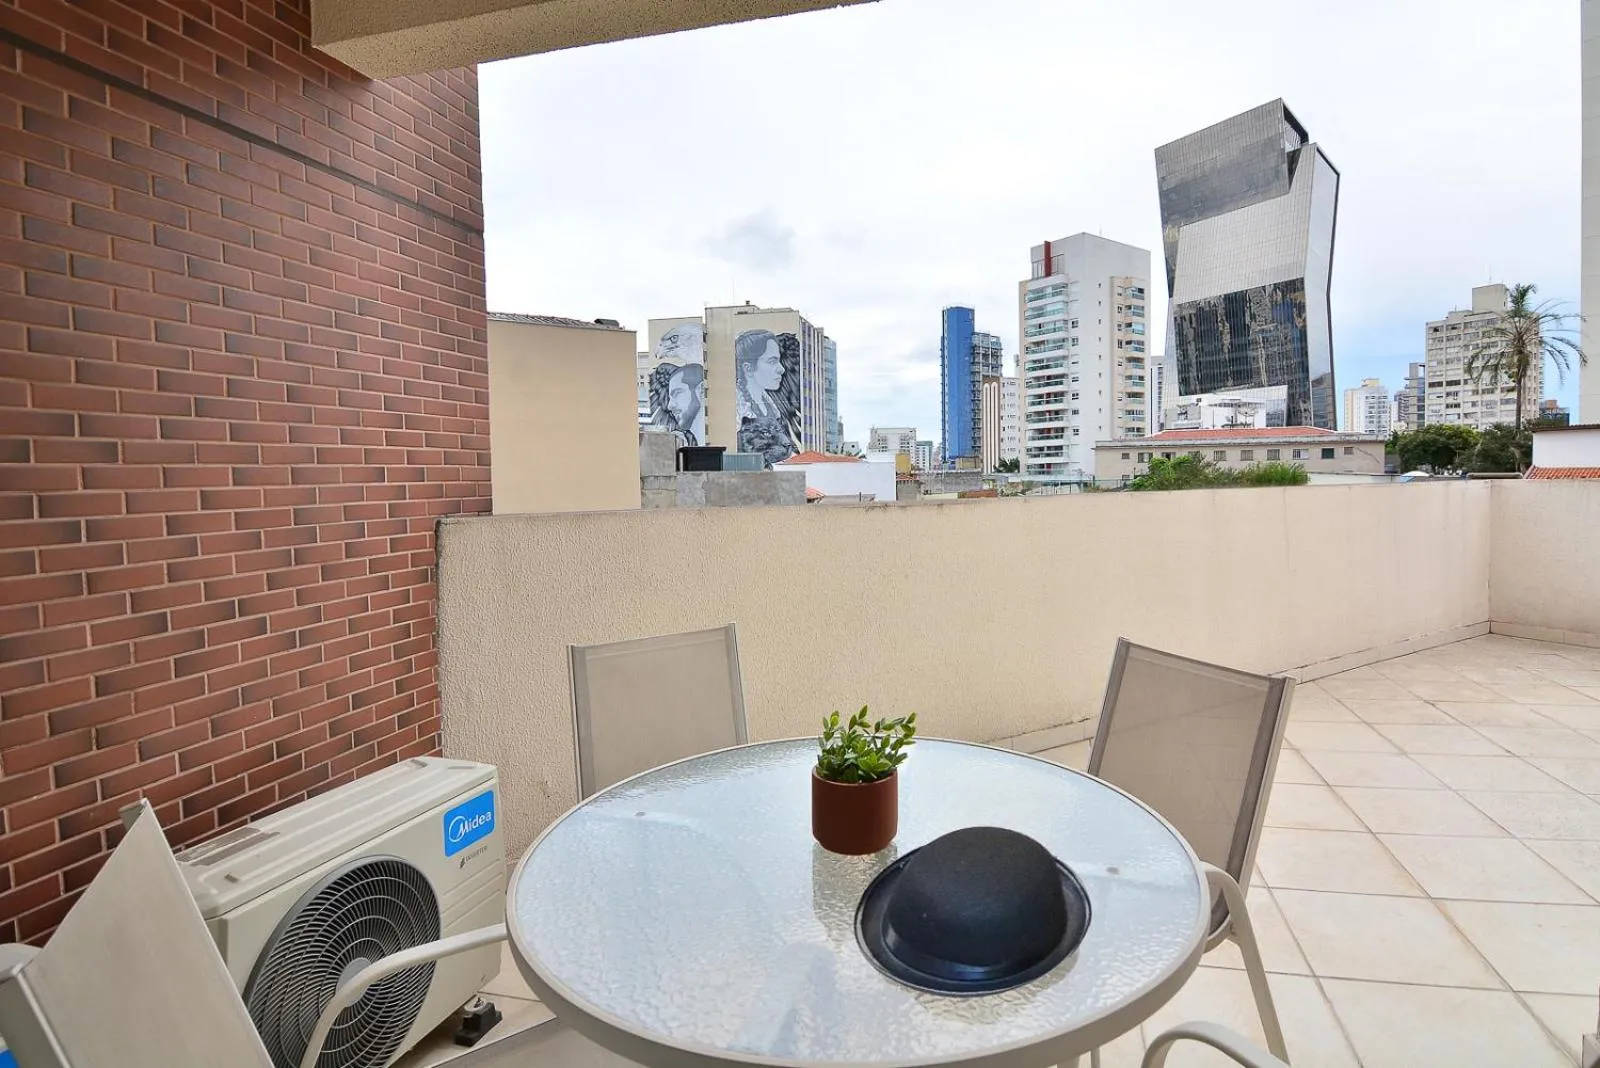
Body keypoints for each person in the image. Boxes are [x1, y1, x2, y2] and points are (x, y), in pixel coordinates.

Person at [734, 330, 794, 464]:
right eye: (772, 361)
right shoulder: (737, 409)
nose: (782, 369)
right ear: (748, 368)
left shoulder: (770, 406)